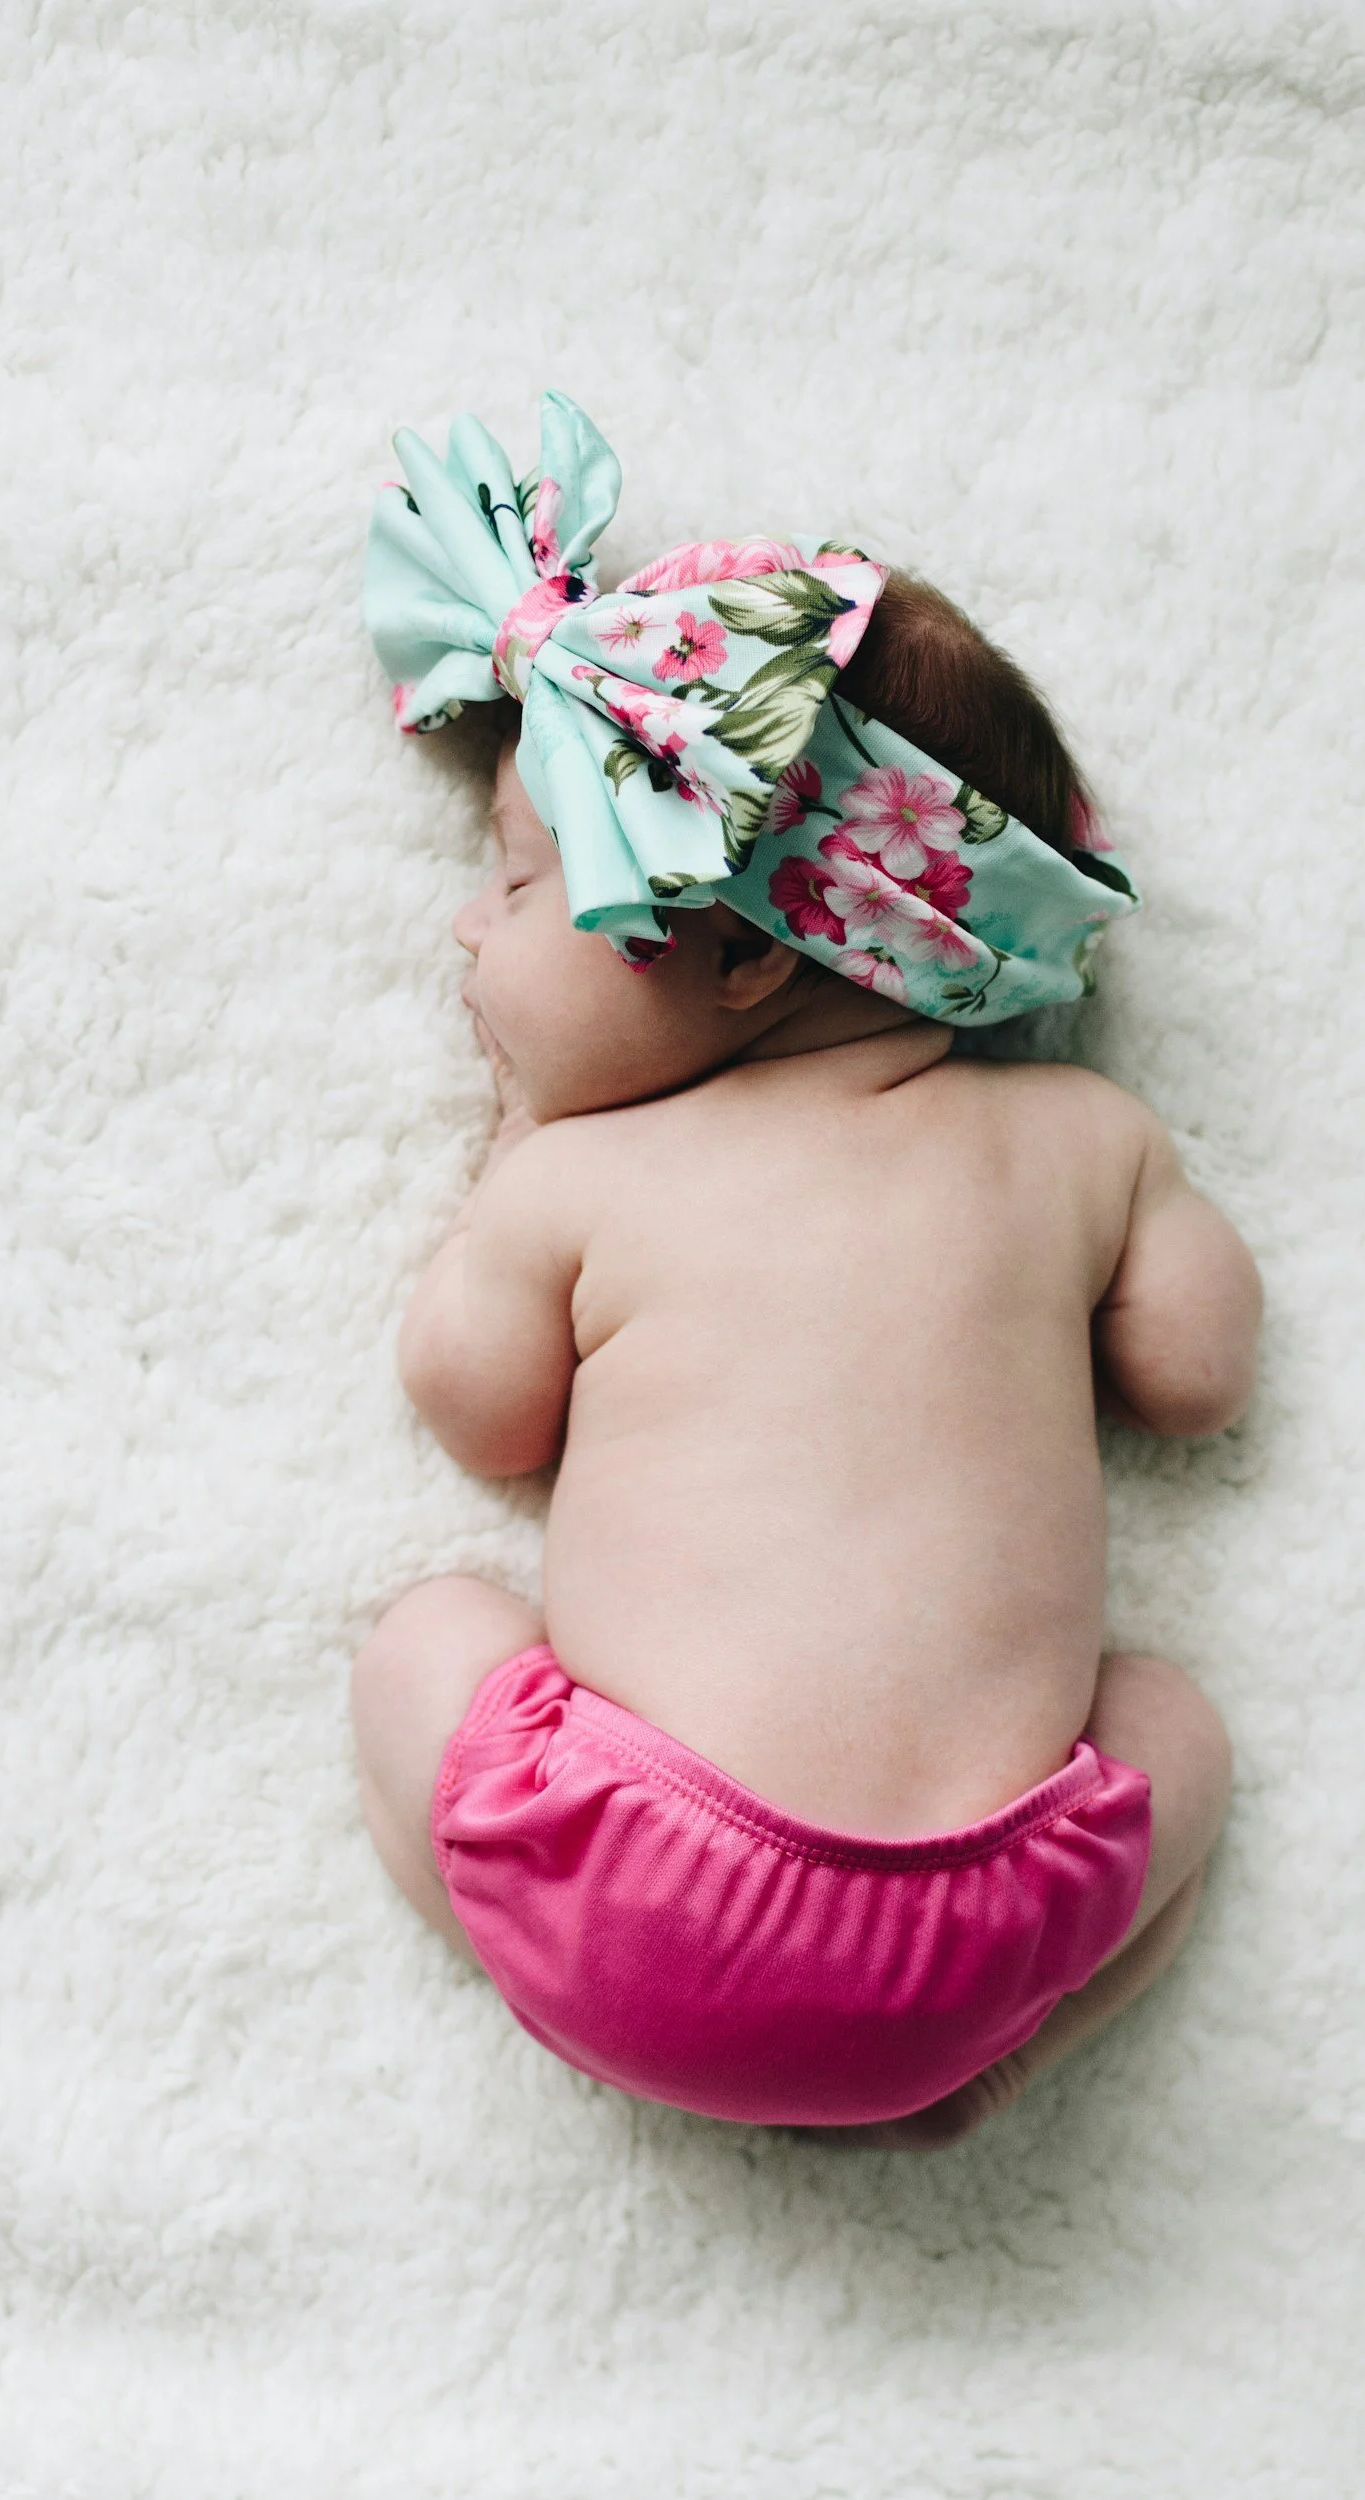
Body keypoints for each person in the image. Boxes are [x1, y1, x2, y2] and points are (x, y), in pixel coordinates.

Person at [351, 390, 1260, 2148]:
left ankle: (576, 2019)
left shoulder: (588, 1179)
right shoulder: (1074, 1141)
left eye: (529, 885)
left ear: (745, 962)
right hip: (974, 1933)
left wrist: (509, 1163)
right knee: (1177, 1735)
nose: (473, 926)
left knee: (423, 1644)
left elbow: (475, 1418)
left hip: (634, 1899)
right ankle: (986, 2074)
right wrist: (1135, 1207)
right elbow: (1200, 1377)